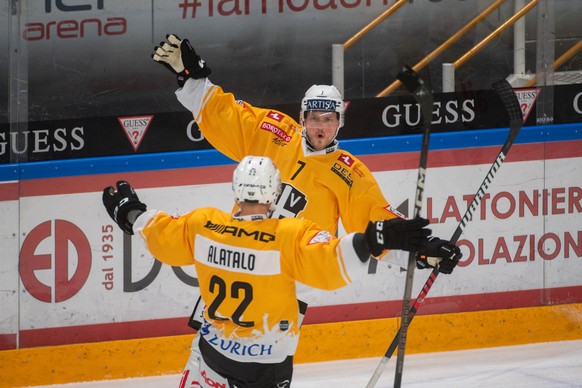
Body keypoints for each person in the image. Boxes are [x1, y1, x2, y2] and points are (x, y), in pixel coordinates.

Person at [151, 34, 461, 387]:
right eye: (314, 118)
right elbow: (227, 116)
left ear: (339, 121)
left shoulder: (350, 173)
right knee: (208, 358)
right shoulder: (274, 132)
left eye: (328, 120)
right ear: (301, 117)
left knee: (260, 368)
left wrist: (423, 250)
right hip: (241, 258)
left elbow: (378, 223)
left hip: (290, 280)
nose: (320, 127)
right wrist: (192, 77)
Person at [102, 156, 460, 388]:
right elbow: (330, 263)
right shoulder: (288, 236)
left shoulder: (204, 225)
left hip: (211, 354)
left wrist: (131, 213)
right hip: (265, 367)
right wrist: (373, 239)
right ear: (275, 195)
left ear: (235, 190)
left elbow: (160, 234)